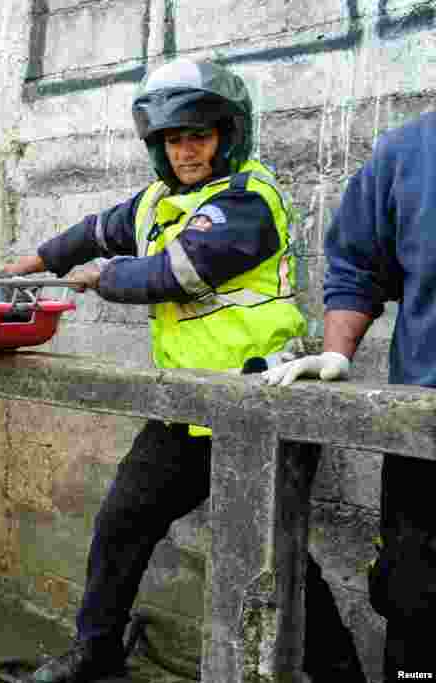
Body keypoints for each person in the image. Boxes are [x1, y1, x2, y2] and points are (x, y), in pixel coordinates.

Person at [1, 59, 365, 682]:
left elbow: (178, 271)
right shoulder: (156, 201)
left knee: (275, 555)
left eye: (198, 136)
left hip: (259, 401)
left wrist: (102, 278)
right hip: (188, 411)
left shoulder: (249, 199)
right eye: (172, 140)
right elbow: (95, 229)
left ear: (228, 135)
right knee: (123, 521)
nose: (186, 151)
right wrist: (25, 264)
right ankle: (96, 653)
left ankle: (341, 676)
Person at [261, 112, 436, 680]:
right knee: (416, 600)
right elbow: (358, 262)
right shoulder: (408, 151)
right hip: (423, 434)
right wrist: (338, 352)